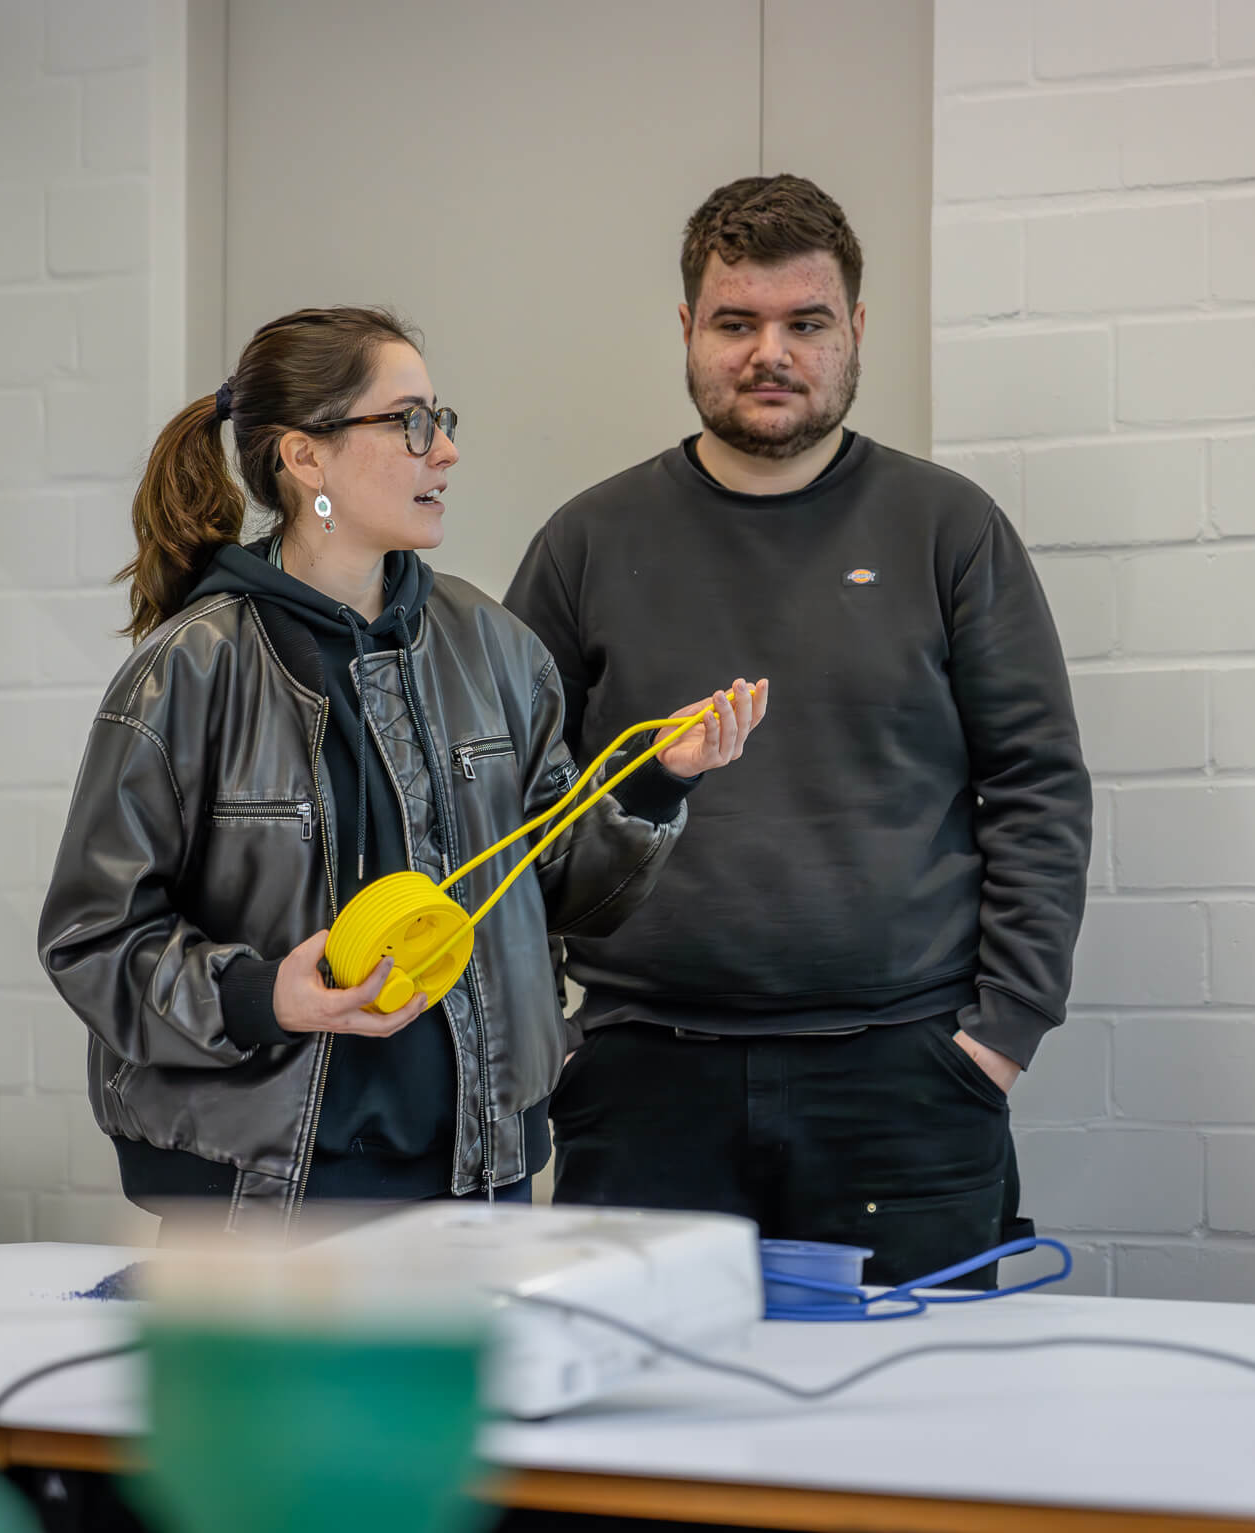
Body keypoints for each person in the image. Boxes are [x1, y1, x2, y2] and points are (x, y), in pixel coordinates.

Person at [39, 306, 766, 1225]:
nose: (446, 451)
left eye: (443, 420)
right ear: (307, 459)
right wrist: (266, 995)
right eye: (411, 423)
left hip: (476, 1172)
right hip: (262, 1193)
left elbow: (562, 892)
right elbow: (93, 940)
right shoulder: (187, 670)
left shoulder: (494, 646)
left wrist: (662, 779)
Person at [504, 176, 1090, 1285]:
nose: (768, 351)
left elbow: (1034, 787)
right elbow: (509, 813)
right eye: (736, 323)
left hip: (908, 1086)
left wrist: (998, 1036)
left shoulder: (946, 531)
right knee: (643, 1435)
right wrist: (554, 1043)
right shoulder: (585, 542)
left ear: (853, 332)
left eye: (804, 323)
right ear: (687, 331)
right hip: (641, 1084)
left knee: (911, 1435)